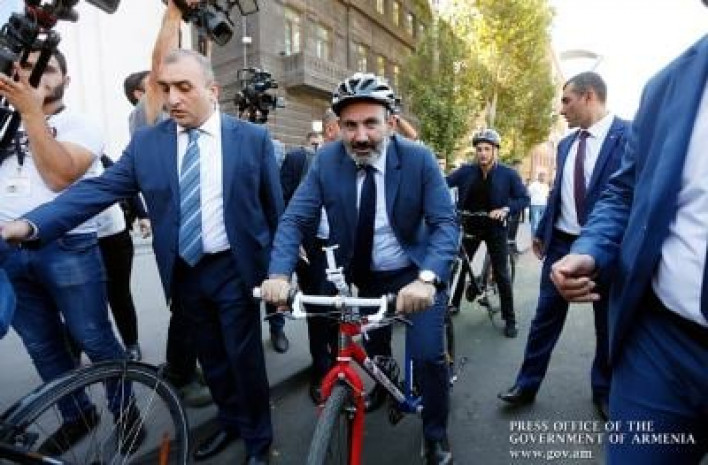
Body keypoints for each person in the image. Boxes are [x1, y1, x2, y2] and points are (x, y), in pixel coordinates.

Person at [1, 49, 282, 465]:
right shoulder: (148, 142)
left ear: (212, 89)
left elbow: (273, 209)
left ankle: (258, 441)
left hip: (235, 269)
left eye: (184, 87)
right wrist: (27, 225)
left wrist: (280, 270)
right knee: (212, 360)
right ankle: (230, 422)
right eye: (165, 88)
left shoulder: (252, 139)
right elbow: (96, 191)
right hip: (185, 272)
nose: (172, 99)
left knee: (245, 360)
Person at [260, 72, 458, 465]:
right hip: (366, 274)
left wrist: (426, 279)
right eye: (350, 125)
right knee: (375, 348)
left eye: (371, 123)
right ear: (338, 126)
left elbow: (445, 224)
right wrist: (279, 274)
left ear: (391, 122)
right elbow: (294, 219)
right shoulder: (327, 160)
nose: (361, 136)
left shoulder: (417, 159)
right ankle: (384, 386)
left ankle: (435, 433)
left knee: (427, 356)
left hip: (415, 273)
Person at [551, 30, 708, 463]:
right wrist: (591, 248)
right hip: (661, 343)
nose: (561, 108)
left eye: (567, 100)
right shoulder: (666, 87)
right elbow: (624, 193)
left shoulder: (617, 130)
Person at [0, 49, 144, 454]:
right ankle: (77, 414)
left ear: (66, 80)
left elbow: (60, 176)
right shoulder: (5, 122)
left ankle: (127, 412)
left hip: (66, 246)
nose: (34, 76)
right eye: (25, 68)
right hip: (7, 252)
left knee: (93, 337)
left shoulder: (80, 123)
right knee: (42, 345)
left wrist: (30, 112)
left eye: (46, 69)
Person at [498, 72, 629, 422]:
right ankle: (526, 384)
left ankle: (604, 390)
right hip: (561, 244)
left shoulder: (631, 136)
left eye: (567, 100)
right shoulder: (566, 144)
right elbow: (559, 191)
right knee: (544, 318)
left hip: (607, 248)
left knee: (607, 322)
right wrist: (542, 230)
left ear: (589, 96)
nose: (561, 109)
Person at [123, 0, 213, 409]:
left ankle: (189, 366)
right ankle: (179, 373)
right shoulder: (147, 121)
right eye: (162, 84)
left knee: (199, 312)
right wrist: (173, 13)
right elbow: (160, 62)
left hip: (204, 235)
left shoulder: (187, 118)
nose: (173, 91)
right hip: (177, 238)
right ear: (145, 92)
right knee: (186, 312)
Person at [446, 129, 529, 337]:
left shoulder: (508, 174)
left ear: (495, 151)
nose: (482, 153)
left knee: (501, 273)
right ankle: (453, 304)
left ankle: (510, 319)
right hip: (470, 225)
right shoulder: (466, 171)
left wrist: (505, 209)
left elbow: (523, 198)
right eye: (479, 149)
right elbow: (441, 184)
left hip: (495, 228)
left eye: (487, 149)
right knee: (459, 266)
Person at [279, 126, 337, 404]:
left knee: (340, 310)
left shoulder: (360, 161)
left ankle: (339, 364)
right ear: (331, 130)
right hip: (311, 251)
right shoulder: (299, 160)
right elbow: (282, 203)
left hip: (342, 250)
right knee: (318, 312)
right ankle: (321, 370)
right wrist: (294, 241)